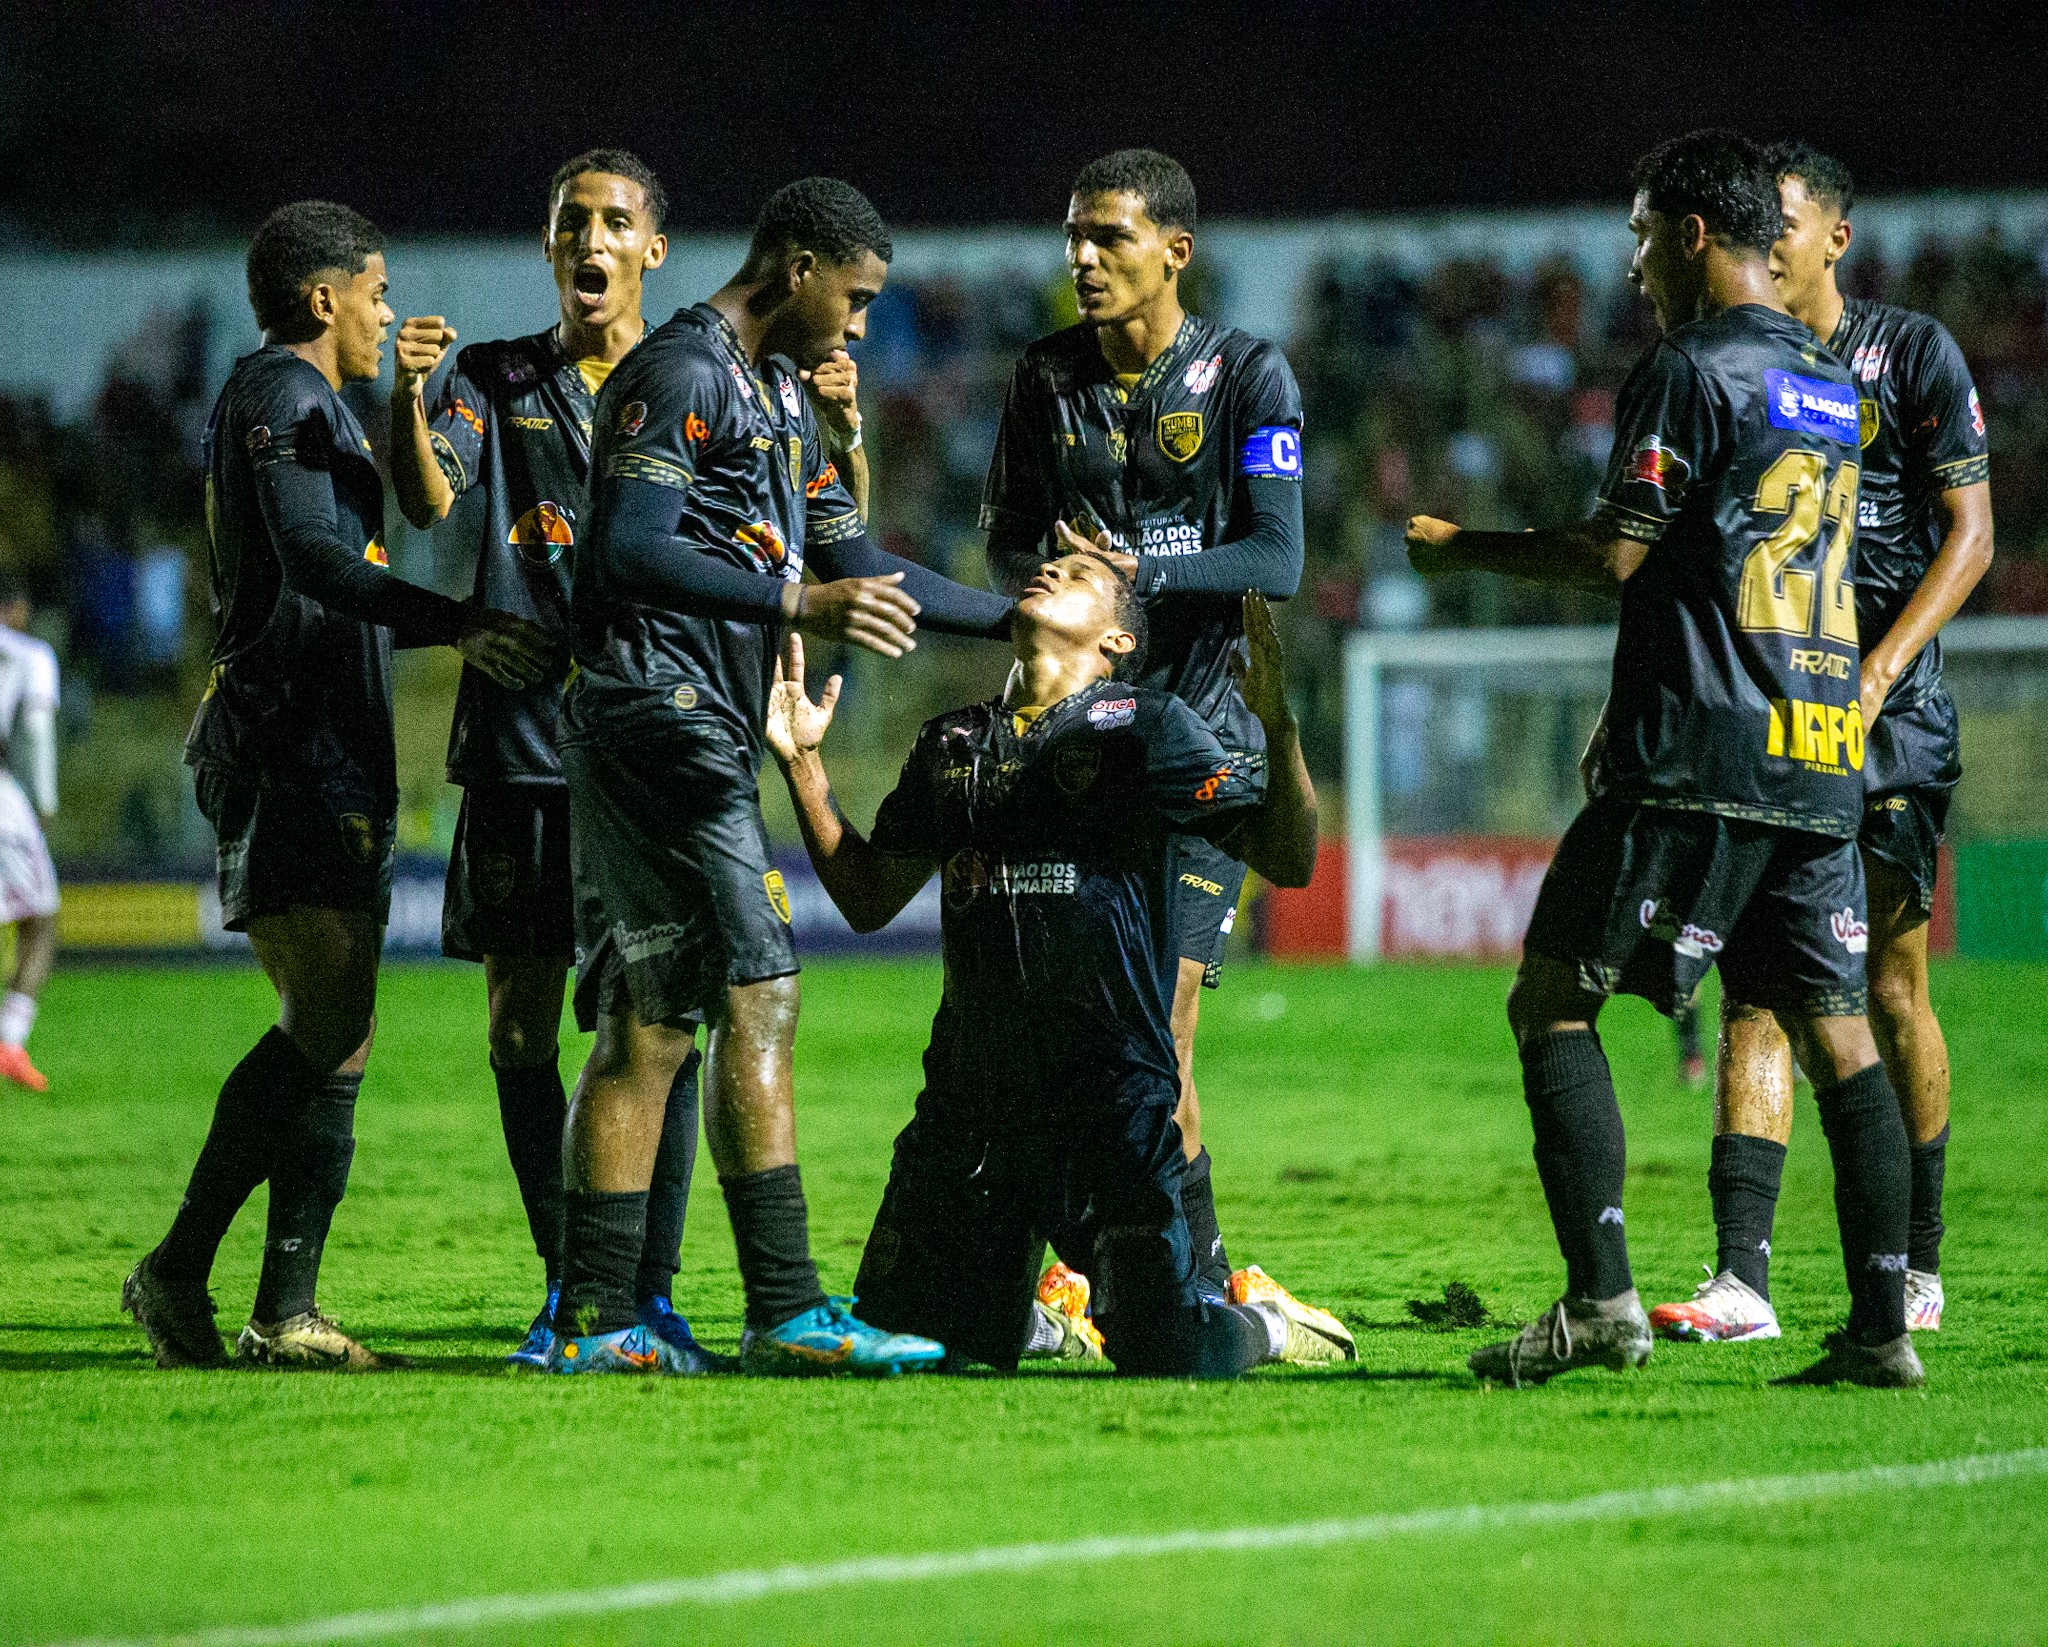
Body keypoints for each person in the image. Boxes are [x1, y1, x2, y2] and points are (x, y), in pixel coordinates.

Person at [1407, 129, 1924, 1389]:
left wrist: (1461, 545)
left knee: (1548, 1001)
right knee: (1836, 1033)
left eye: (1641, 237)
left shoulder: (1686, 367)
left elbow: (1618, 553)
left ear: (1691, 234)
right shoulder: (1822, 379)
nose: (1633, 264)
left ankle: (1600, 1305)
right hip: (1815, 750)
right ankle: (1877, 1329)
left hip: (1695, 752)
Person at [549, 177, 1016, 1375]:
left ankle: (600, 1322)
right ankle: (786, 1310)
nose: (858, 327)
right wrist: (791, 599)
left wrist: (1014, 622)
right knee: (761, 988)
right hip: (653, 707)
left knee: (651, 1020)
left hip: (686, 719)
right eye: (854, 300)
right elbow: (627, 546)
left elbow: (855, 554)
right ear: (799, 267)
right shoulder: (685, 372)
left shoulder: (779, 398)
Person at [124, 202, 550, 1370]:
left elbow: (331, 580)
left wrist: (448, 625)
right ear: (325, 299)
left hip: (325, 738)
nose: (384, 313)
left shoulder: (317, 406)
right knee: (326, 1019)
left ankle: (279, 1309)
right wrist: (456, 620)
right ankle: (181, 1274)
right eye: (374, 292)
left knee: (340, 1030)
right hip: (289, 743)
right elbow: (315, 560)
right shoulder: (280, 396)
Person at [768, 556, 1349, 1376]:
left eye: (1075, 571)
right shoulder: (949, 742)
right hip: (970, 1112)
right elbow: (867, 898)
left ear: (1116, 638)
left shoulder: (1150, 727)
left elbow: (1289, 857)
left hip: (1109, 1109)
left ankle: (1265, 1325)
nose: (1047, 567)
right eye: (1047, 561)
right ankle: (1039, 1318)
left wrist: (1278, 725)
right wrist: (803, 764)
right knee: (923, 1353)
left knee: (1168, 1353)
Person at [1648, 142, 1993, 1346]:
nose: (1771, 238)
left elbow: (1971, 534)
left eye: (1786, 221)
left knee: (1884, 984)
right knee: (1759, 982)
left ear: (1832, 237)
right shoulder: (1735, 367)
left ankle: (1918, 1265)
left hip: (1884, 720)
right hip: (1772, 706)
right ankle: (1742, 1278)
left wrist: (1880, 673)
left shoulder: (1907, 354)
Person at [385, 148, 713, 1368]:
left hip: (644, 752)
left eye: (616, 220)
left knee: (658, 1026)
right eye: (572, 219)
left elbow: (795, 517)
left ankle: (653, 1288)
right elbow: (426, 505)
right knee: (520, 1031)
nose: (591, 238)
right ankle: (571, 1281)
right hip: (520, 750)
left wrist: (839, 430)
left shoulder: (692, 380)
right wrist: (402, 400)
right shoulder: (490, 375)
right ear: (548, 246)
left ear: (652, 249)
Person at [979, 147, 1316, 1335]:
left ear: (1174, 250)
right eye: (1073, 235)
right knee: (1048, 1021)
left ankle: (1187, 1280)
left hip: (1190, 744)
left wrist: (1141, 565)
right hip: (1071, 742)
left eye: (1108, 238)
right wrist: (1049, 577)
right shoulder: (1043, 376)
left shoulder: (1246, 377)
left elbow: (1275, 559)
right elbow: (1003, 541)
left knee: (1158, 1027)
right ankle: (1076, 1270)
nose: (1082, 257)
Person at [0, 576, 60, 1093]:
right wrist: (44, 801)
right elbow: (37, 730)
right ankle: (10, 1042)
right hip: (3, 802)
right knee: (40, 917)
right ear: (15, 609)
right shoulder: (28, 654)